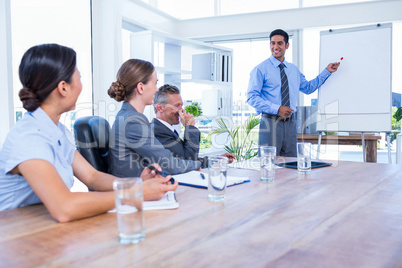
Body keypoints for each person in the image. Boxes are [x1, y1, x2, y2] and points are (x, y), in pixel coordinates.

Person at [0, 44, 177, 222]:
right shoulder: (29, 137)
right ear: (63, 88)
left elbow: (92, 177)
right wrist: (134, 193)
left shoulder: (57, 131)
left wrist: (135, 183)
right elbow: (64, 208)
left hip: (44, 231)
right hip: (18, 236)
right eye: (79, 78)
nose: (81, 86)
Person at [247, 29, 340, 156]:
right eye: (272, 43)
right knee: (268, 164)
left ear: (287, 45)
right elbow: (251, 97)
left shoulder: (293, 70)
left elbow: (308, 88)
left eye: (279, 43)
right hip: (270, 123)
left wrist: (327, 71)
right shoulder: (260, 69)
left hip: (291, 123)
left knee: (291, 164)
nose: (275, 47)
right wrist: (277, 108)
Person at [107, 60, 202, 178]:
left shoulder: (129, 116)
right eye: (155, 83)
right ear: (141, 87)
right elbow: (169, 164)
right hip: (132, 191)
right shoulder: (132, 121)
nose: (156, 90)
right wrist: (200, 163)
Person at [151, 84, 236, 165]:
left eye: (181, 106)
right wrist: (190, 127)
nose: (181, 110)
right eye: (176, 106)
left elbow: (186, 158)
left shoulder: (165, 129)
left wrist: (218, 160)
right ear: (160, 108)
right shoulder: (157, 132)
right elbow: (189, 162)